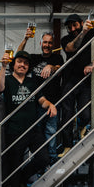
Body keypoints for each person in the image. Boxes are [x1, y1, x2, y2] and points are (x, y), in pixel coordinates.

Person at [0, 50, 57, 187]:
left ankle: (24, 177)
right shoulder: (8, 80)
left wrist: (51, 104)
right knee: (14, 166)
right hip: (14, 130)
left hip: (33, 129)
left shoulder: (32, 82)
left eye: (26, 63)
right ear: (14, 64)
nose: (22, 65)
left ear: (28, 66)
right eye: (19, 62)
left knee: (44, 158)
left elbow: (41, 100)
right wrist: (3, 67)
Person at [59, 14, 94, 156]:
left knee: (86, 113)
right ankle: (67, 146)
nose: (72, 28)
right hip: (69, 79)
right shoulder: (66, 39)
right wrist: (83, 32)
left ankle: (82, 126)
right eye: (70, 27)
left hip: (87, 79)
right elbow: (71, 48)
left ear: (82, 22)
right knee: (67, 114)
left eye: (75, 25)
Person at [17, 29, 64, 157]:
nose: (47, 45)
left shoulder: (57, 57)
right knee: (37, 134)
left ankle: (51, 161)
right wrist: (26, 39)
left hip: (53, 102)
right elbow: (19, 55)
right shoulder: (34, 58)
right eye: (45, 42)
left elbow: (60, 69)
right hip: (36, 103)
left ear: (53, 45)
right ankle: (39, 162)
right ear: (40, 43)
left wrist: (51, 67)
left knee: (51, 132)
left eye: (49, 43)